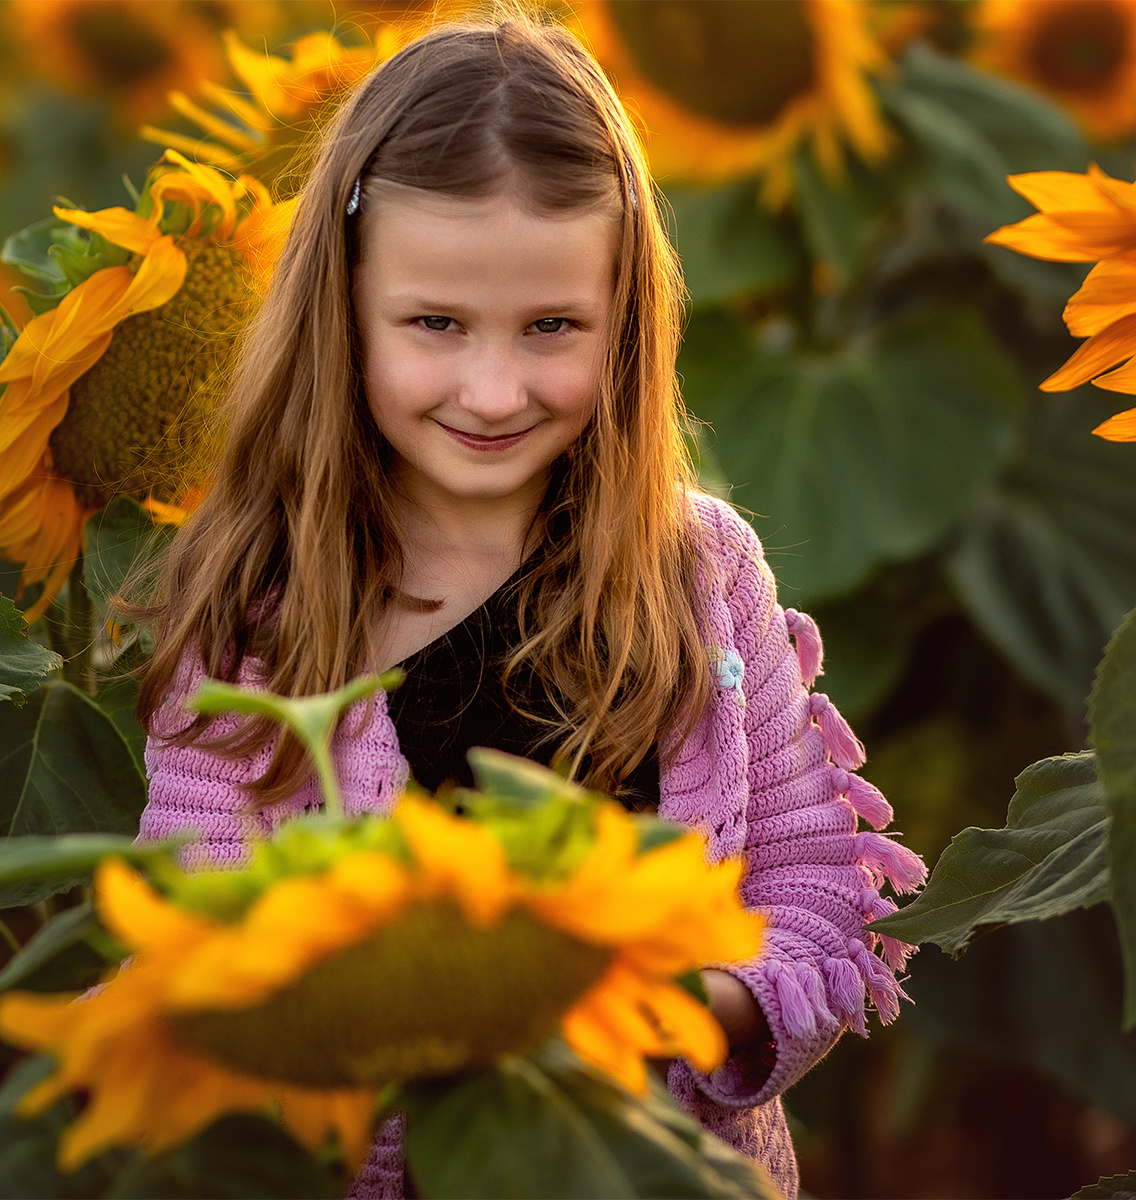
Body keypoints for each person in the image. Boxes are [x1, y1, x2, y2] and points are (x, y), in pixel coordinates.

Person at [133, 12, 926, 1199]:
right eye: (435, 325)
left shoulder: (700, 579)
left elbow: (814, 905)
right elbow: (198, 947)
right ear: (344, 310)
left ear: (625, 321)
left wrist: (659, 998)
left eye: (552, 327)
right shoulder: (258, 608)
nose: (495, 391)